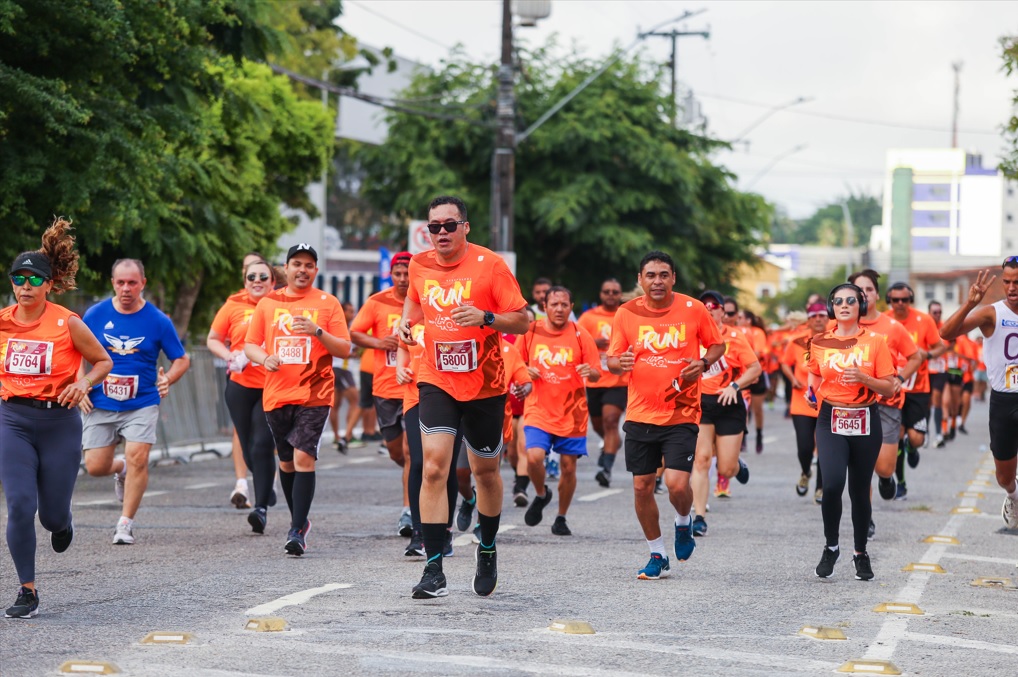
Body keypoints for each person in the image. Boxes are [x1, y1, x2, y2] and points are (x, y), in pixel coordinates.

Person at [398, 195, 529, 599]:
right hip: (435, 378)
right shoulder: (419, 264)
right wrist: (406, 324)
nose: (440, 233)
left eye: (448, 225)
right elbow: (414, 302)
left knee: (484, 471)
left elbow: (524, 320)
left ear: (465, 227)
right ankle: (433, 568)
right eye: (433, 226)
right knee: (434, 467)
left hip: (485, 385)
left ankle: (486, 547)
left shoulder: (490, 265)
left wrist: (486, 317)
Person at [1, 219, 113, 619]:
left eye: (34, 279)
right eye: (19, 278)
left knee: (50, 515)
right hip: (12, 419)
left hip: (58, 423)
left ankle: (63, 522)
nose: (25, 285)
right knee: (18, 504)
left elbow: (103, 361)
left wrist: (83, 382)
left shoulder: (67, 323)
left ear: (49, 284)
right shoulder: (2, 322)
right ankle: (27, 589)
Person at [607, 251, 725, 580]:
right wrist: (621, 364)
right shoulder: (626, 313)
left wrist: (702, 363)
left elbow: (717, 346)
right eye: (650, 275)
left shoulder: (693, 309)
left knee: (675, 484)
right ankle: (657, 553)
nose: (657, 281)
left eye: (663, 275)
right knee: (642, 487)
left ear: (673, 278)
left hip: (682, 411)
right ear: (639, 280)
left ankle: (684, 521)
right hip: (641, 413)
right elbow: (613, 359)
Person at [244, 243, 351, 556]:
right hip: (277, 393)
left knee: (304, 458)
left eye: (308, 265)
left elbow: (344, 349)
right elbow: (251, 345)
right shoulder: (268, 303)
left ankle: (296, 529)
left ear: (315, 270)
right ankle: (299, 521)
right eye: (296, 264)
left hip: (314, 392)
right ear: (286, 268)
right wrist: (264, 359)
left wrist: (317, 330)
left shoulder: (327, 303)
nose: (302, 270)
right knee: (287, 462)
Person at [80, 259, 191, 545]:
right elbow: (76, 352)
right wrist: (81, 386)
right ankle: (120, 470)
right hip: (100, 401)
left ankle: (125, 524)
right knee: (94, 466)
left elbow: (181, 358)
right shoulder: (95, 315)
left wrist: (170, 379)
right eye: (120, 282)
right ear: (112, 283)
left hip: (142, 403)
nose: (126, 288)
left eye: (132, 282)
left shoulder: (157, 320)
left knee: (138, 458)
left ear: (143, 282)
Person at [809, 284, 897, 581]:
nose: (844, 305)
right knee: (832, 484)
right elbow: (814, 371)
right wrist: (812, 391)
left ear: (861, 305)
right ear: (831, 307)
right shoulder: (819, 341)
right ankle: (831, 546)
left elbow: (890, 385)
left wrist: (864, 377)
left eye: (850, 301)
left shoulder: (875, 342)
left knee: (860, 490)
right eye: (838, 301)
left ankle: (860, 553)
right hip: (830, 417)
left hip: (865, 418)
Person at [938, 261, 1018, 530]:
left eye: (1016, 282)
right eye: (1007, 282)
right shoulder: (991, 314)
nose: (1011, 288)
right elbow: (946, 333)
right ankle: (1013, 496)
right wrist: (969, 304)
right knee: (1004, 476)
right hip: (1004, 401)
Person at [517, 286, 601, 536]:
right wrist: (525, 371)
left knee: (568, 467)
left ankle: (561, 517)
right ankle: (542, 494)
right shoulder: (530, 332)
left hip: (572, 412)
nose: (559, 309)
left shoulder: (580, 334)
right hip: (538, 408)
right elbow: (514, 363)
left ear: (571, 307)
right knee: (533, 457)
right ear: (544, 307)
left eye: (564, 304)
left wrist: (590, 371)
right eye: (554, 304)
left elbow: (597, 373)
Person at [207, 258, 279, 534]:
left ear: (273, 281)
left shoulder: (280, 305)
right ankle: (263, 480)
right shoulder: (233, 305)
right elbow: (213, 338)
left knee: (262, 442)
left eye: (263, 277)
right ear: (245, 281)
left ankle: (259, 507)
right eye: (252, 277)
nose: (257, 281)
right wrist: (229, 356)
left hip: (271, 385)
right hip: (239, 385)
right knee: (248, 445)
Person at [846, 270, 922, 513]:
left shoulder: (892, 327)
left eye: (869, 289)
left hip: (886, 403)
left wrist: (900, 378)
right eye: (859, 290)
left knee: (883, 467)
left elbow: (915, 357)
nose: (864, 294)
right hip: (853, 404)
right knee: (860, 466)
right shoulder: (840, 325)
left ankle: (888, 478)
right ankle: (865, 518)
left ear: (877, 294)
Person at [350, 251, 414, 537]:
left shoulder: (425, 301)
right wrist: (379, 342)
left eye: (407, 273)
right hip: (385, 388)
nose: (403, 279)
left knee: (413, 454)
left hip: (415, 386)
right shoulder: (377, 302)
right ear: (391, 274)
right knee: (396, 453)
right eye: (398, 273)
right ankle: (414, 472)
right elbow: (354, 333)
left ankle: (408, 512)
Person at [690, 290, 761, 537]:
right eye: (704, 306)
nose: (709, 309)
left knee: (726, 469)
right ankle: (699, 516)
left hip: (729, 403)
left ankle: (735, 466)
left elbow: (754, 368)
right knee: (701, 460)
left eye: (714, 306)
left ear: (723, 310)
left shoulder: (735, 337)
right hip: (700, 404)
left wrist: (735, 386)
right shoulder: (690, 337)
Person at [884, 282, 946, 494]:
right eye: (895, 300)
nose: (900, 304)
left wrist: (925, 355)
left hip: (918, 388)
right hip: (892, 387)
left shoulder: (923, 320)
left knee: (917, 438)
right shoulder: (884, 321)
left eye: (905, 299)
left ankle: (913, 448)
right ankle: (900, 483)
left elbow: (941, 347)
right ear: (889, 300)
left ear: (910, 299)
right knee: (897, 434)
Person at [578, 278, 629, 488]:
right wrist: (592, 341)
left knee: (610, 420)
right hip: (594, 380)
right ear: (601, 294)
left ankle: (605, 469)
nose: (610, 294)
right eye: (607, 291)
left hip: (619, 380)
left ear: (620, 294)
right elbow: (575, 340)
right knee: (599, 424)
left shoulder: (626, 316)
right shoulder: (589, 317)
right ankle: (612, 442)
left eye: (615, 291)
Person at [782, 302, 828, 503]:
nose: (818, 319)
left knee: (825, 447)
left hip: (828, 401)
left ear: (828, 318)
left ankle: (821, 487)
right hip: (802, 401)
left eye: (822, 315)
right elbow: (785, 363)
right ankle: (805, 471)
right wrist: (792, 379)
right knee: (804, 447)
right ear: (808, 319)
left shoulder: (837, 340)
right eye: (814, 316)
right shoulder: (797, 341)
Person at [330, 301, 362, 451]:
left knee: (336, 404)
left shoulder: (351, 328)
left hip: (343, 368)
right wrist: (351, 354)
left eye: (353, 311)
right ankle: (345, 436)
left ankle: (339, 436)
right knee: (356, 400)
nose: (352, 314)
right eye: (350, 311)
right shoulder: (337, 327)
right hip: (340, 368)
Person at [737, 309, 769, 454]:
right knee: (743, 408)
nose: (737, 319)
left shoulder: (757, 332)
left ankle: (759, 435)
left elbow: (758, 352)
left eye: (740, 317)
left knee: (757, 410)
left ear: (748, 320)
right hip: (741, 375)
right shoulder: (735, 331)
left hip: (757, 373)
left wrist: (742, 354)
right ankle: (742, 438)